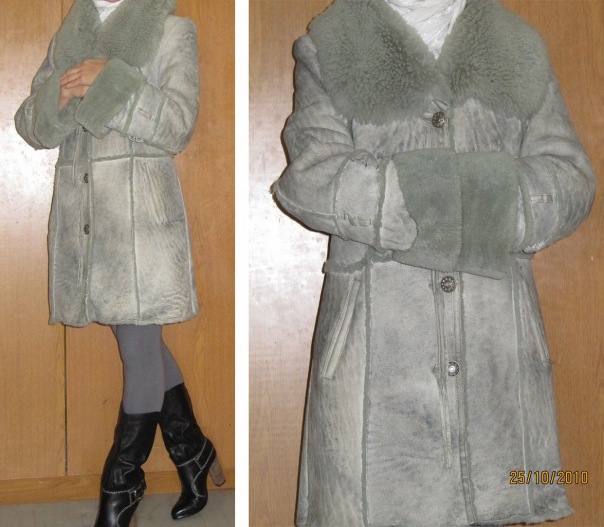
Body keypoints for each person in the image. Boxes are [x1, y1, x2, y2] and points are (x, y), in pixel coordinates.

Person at [272, 0, 595, 525]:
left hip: (497, 356)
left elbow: (571, 179)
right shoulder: (332, 45)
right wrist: (473, 197)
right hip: (376, 356)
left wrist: (424, 197)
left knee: (501, 495)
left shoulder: (518, 47)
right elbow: (310, 175)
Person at [14, 0, 224, 526]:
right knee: (141, 342)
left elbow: (178, 124)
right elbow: (31, 126)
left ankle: (122, 481)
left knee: (137, 346)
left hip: (140, 221)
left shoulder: (172, 32)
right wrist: (59, 94)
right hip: (88, 224)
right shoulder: (68, 40)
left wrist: (111, 81)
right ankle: (193, 451)